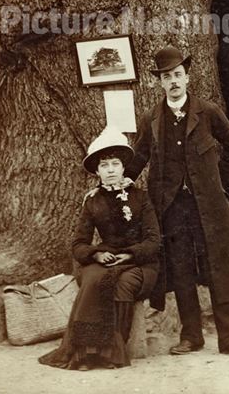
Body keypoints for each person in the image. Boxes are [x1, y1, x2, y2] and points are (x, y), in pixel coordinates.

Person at [127, 45, 229, 357]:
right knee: (181, 270)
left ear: (188, 77)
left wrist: (216, 180)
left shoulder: (207, 112)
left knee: (220, 266)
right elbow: (139, 157)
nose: (173, 81)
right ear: (159, 82)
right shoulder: (151, 118)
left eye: (178, 75)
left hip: (209, 206)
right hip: (170, 209)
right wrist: (121, 179)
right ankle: (191, 336)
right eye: (167, 76)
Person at [39, 128, 160, 371]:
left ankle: (111, 353)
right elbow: (78, 244)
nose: (111, 170)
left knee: (123, 283)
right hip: (105, 259)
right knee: (93, 279)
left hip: (140, 263)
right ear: (97, 171)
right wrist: (96, 254)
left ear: (124, 168)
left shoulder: (141, 197)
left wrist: (130, 254)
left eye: (116, 164)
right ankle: (85, 353)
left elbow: (154, 240)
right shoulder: (92, 200)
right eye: (105, 166)